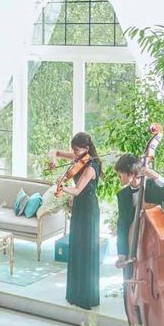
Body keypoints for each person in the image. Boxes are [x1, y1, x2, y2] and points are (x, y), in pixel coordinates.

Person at [114, 152, 164, 326]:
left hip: (154, 254)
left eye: (120, 174)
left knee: (163, 300)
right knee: (129, 289)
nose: (119, 178)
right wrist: (122, 253)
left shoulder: (153, 188)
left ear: (131, 173)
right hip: (135, 253)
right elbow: (122, 225)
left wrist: (155, 176)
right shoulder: (123, 195)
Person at [49, 132, 102, 310]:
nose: (74, 153)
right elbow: (55, 152)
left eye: (77, 150)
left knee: (86, 250)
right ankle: (75, 294)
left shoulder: (91, 167)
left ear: (86, 148)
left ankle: (86, 297)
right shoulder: (79, 158)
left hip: (88, 209)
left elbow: (78, 190)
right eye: (73, 150)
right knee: (77, 247)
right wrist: (53, 159)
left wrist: (62, 187)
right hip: (79, 207)